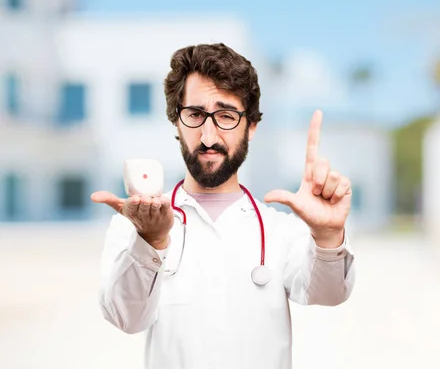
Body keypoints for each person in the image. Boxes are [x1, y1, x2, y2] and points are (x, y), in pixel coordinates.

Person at [91, 42, 356, 369]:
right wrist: (151, 242)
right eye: (195, 114)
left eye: (226, 116)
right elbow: (125, 319)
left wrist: (329, 236)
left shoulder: (278, 230)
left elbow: (328, 294)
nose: (208, 136)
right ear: (177, 121)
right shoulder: (134, 225)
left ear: (252, 127)